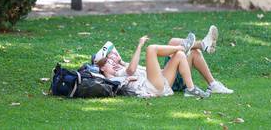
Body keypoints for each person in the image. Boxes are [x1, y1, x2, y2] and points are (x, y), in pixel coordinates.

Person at [94, 26, 233, 98]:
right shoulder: (112, 77)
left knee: (180, 53)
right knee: (151, 49)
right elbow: (130, 71)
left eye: (110, 59)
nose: (111, 62)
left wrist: (117, 59)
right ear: (101, 69)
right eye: (106, 62)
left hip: (159, 80)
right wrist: (139, 45)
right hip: (152, 86)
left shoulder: (120, 67)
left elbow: (130, 67)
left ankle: (192, 89)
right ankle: (193, 45)